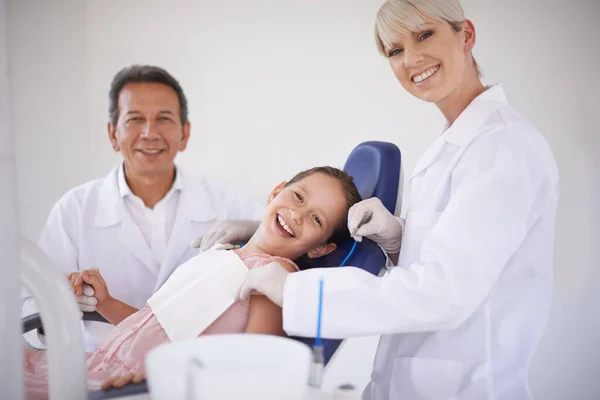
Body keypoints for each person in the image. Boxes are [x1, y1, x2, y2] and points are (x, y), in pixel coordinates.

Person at [208, 1, 561, 399]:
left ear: (466, 34)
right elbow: (456, 258)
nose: (411, 58)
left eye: (424, 35)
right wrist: (399, 241)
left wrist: (295, 291)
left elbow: (445, 293)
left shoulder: (504, 148)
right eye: (394, 50)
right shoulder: (453, 145)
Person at [23, 166, 362, 399]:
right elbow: (157, 325)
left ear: (321, 248)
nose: (297, 214)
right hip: (100, 364)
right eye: (298, 197)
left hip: (136, 386)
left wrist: (164, 379)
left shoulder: (273, 278)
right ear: (277, 191)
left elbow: (256, 370)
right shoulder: (224, 252)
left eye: (316, 219)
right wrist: (106, 302)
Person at [21, 64, 265, 352]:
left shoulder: (229, 203)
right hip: (101, 376)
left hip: (197, 370)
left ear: (184, 134)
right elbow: (27, 313)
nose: (150, 133)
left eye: (164, 119)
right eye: (135, 119)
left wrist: (255, 230)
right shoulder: (74, 210)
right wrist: (59, 306)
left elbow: (285, 246)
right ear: (113, 134)